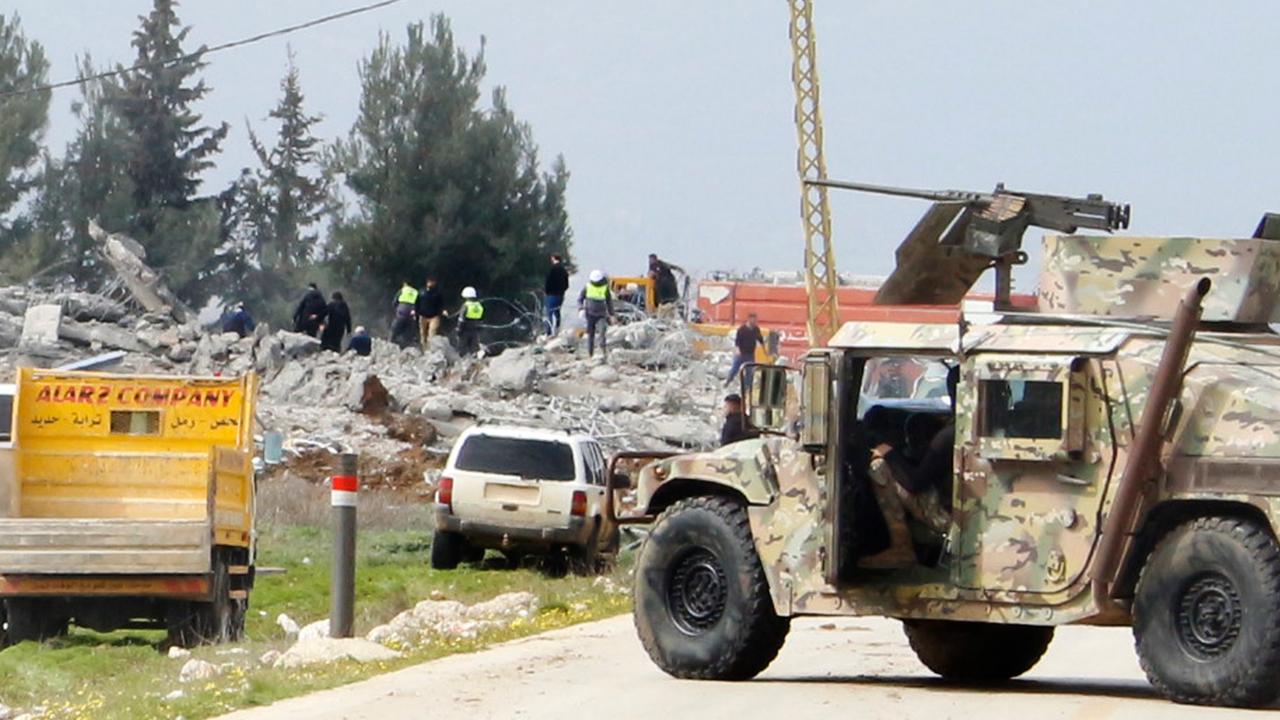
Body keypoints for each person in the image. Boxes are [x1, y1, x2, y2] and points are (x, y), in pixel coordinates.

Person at [578, 269, 613, 358]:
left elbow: (609, 301)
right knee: (591, 335)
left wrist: (611, 314)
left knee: (602, 333)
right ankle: (590, 354)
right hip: (589, 314)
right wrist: (580, 309)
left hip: (601, 315)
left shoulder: (605, 288)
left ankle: (603, 353)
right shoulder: (587, 287)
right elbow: (580, 299)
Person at [725, 313, 765, 387]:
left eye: (756, 320)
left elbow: (760, 339)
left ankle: (747, 388)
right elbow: (737, 341)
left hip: (750, 354)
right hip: (741, 354)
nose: (755, 322)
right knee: (734, 369)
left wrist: (765, 350)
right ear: (749, 319)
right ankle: (728, 382)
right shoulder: (742, 329)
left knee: (749, 372)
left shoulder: (756, 329)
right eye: (753, 320)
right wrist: (738, 350)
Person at [416, 277, 446, 349]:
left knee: (432, 334)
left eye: (432, 282)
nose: (431, 283)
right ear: (427, 283)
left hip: (434, 316)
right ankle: (424, 349)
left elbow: (441, 304)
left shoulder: (438, 293)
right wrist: (416, 312)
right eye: (429, 282)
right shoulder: (421, 292)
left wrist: (443, 311)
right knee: (423, 334)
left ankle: (430, 349)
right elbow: (417, 303)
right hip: (423, 316)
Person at [544, 254, 569, 335]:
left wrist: (547, 291)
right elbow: (566, 284)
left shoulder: (552, 269)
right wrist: (562, 291)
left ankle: (549, 332)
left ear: (554, 259)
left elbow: (548, 282)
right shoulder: (563, 270)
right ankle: (557, 329)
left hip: (552, 294)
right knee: (557, 312)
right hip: (560, 295)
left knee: (549, 313)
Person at [390, 280, 419, 348]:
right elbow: (418, 305)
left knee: (395, 328)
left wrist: (396, 309)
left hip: (402, 310)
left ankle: (391, 342)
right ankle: (407, 346)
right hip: (411, 313)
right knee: (408, 330)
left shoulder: (403, 290)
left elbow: (394, 301)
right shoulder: (416, 292)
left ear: (405, 284)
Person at [457, 286, 484, 356]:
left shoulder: (466, 305)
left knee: (462, 348)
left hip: (465, 329)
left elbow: (461, 319)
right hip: (475, 329)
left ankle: (463, 363)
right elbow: (481, 319)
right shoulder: (479, 305)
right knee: (474, 349)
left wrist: (459, 329)